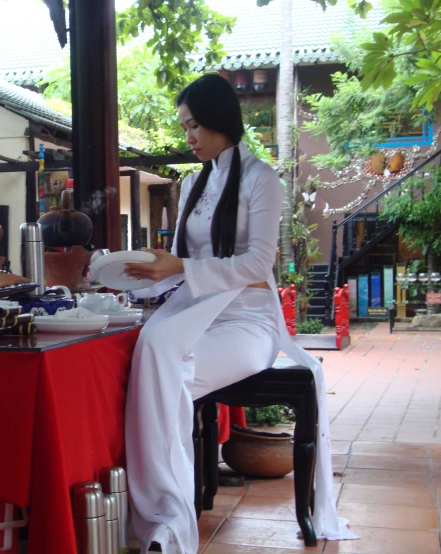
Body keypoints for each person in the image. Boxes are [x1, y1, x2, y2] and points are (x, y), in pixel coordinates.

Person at [122, 74, 356, 554]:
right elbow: (182, 263)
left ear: (218, 120)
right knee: (151, 351)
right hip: (195, 311)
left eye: (193, 126)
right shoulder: (191, 184)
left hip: (248, 320)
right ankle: (163, 513)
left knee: (162, 372)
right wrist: (152, 271)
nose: (187, 137)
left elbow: (256, 265)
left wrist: (183, 265)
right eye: (184, 127)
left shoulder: (260, 178)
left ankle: (168, 517)